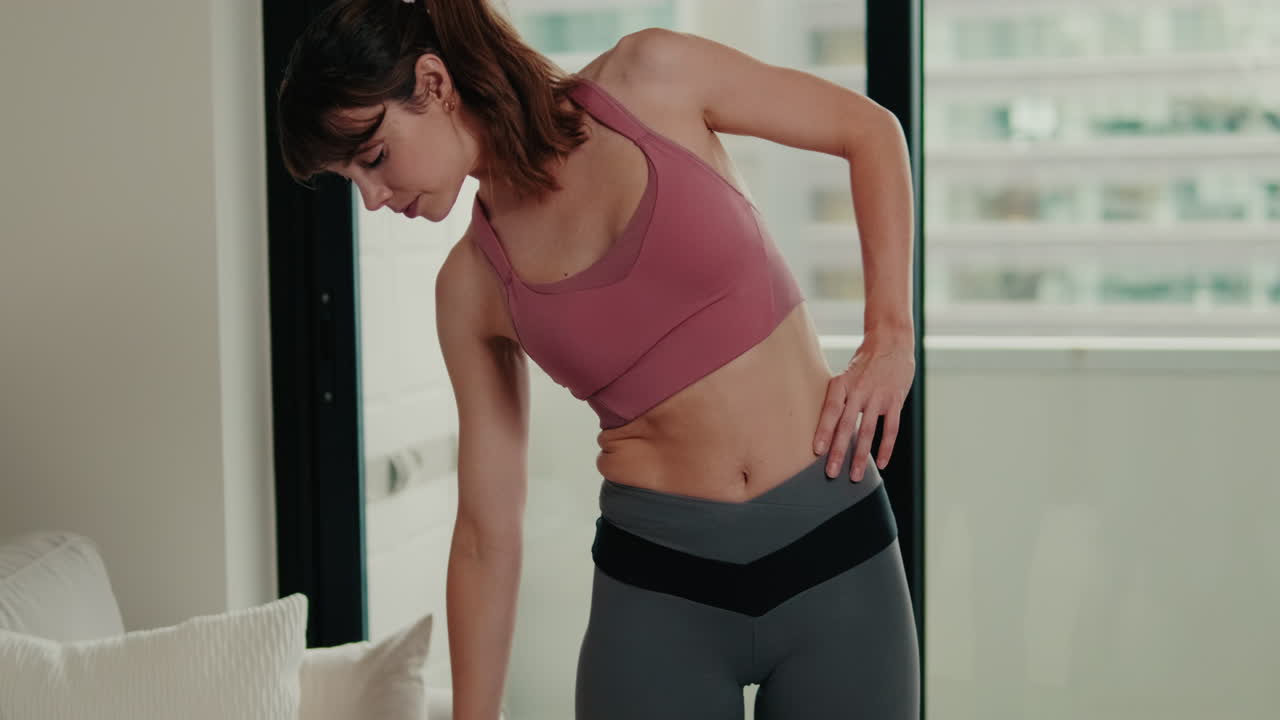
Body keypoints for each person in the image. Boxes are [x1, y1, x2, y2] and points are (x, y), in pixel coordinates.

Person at [276, 0, 919, 718]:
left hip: (834, 554)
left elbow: (869, 131)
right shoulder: (470, 287)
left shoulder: (654, 76)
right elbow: (487, 534)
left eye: (372, 157)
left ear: (433, 83)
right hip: (658, 596)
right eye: (350, 179)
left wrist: (890, 336)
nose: (371, 198)